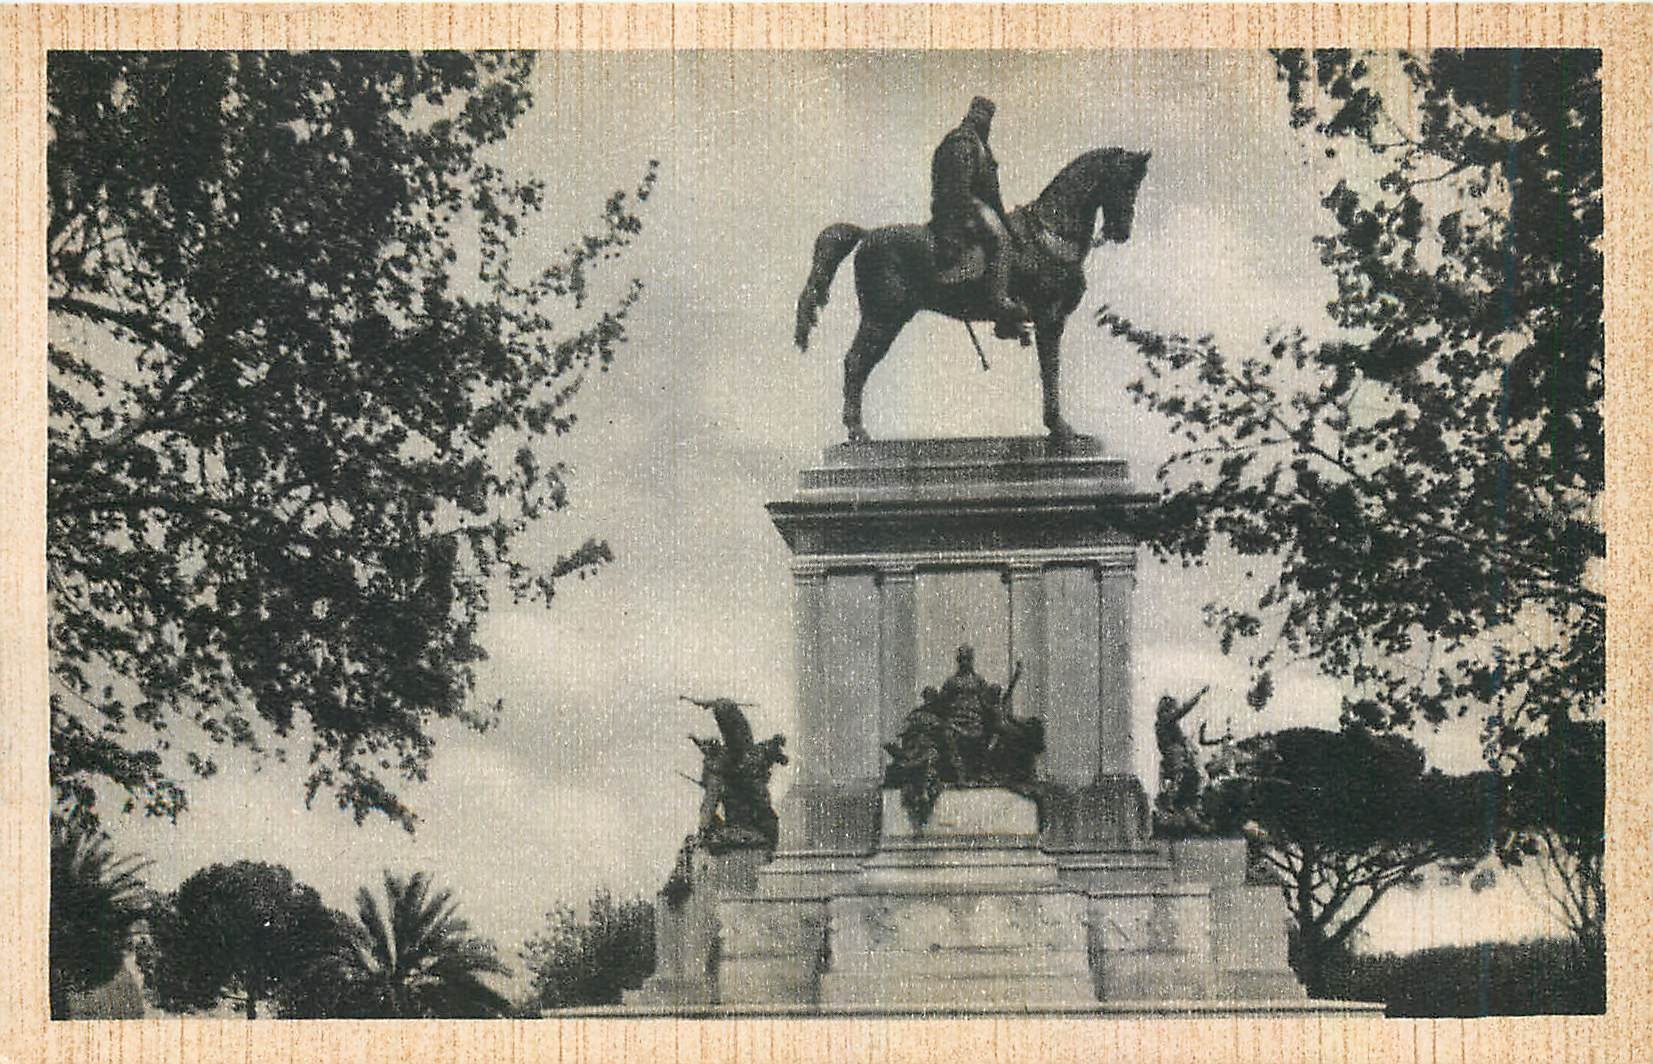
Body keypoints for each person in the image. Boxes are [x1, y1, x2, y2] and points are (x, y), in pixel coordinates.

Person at [929, 96, 1028, 331]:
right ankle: (999, 301)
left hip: (974, 204)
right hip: (959, 204)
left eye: (987, 117)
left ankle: (1007, 318)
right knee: (999, 238)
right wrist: (968, 218)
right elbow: (958, 186)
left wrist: (1007, 222)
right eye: (980, 115)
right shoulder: (961, 142)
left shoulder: (980, 146)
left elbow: (993, 195)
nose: (984, 121)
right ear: (973, 115)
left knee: (1008, 234)